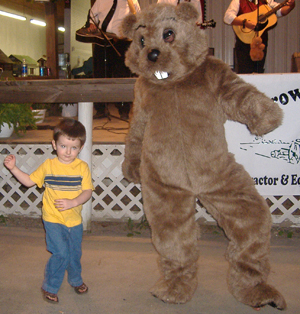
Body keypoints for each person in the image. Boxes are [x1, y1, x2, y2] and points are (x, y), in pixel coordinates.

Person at [3, 118, 94, 303]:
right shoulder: (48, 166)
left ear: (81, 147)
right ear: (54, 144)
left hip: (74, 221)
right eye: (63, 146)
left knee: (74, 254)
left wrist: (74, 201)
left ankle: (76, 280)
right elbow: (29, 181)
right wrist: (13, 169)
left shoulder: (82, 168)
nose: (68, 152)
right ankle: (50, 287)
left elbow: (88, 191)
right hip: (53, 219)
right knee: (60, 253)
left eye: (73, 147)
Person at [79, 0, 141, 120]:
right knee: (100, 75)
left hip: (122, 42)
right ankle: (101, 109)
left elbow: (138, 21)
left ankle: (123, 110)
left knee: (122, 76)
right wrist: (91, 24)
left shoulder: (133, 2)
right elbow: (92, 15)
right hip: (102, 41)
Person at [224, 0, 295, 74]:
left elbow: (281, 11)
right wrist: (244, 23)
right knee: (244, 71)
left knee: (258, 72)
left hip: (260, 43)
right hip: (243, 42)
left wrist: (291, 5)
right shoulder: (238, 1)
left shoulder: (266, 1)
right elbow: (227, 17)